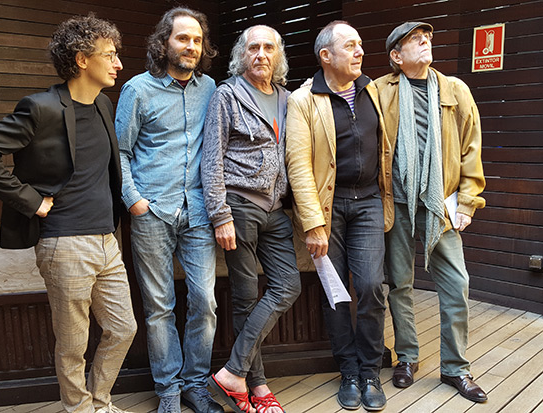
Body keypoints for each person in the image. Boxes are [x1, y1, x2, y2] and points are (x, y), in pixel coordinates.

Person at [0, 15, 137, 413]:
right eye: (110, 55)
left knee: (124, 329)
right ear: (81, 59)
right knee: (73, 344)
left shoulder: (105, 105)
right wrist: (29, 199)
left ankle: (100, 402)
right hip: (65, 244)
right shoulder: (41, 109)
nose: (118, 64)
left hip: (107, 241)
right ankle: (79, 409)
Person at [114, 7, 223, 413]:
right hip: (152, 213)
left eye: (196, 40)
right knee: (159, 308)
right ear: (164, 43)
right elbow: (120, 152)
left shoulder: (211, 88)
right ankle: (169, 393)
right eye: (183, 38)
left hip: (197, 212)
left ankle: (196, 384)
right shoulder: (137, 90)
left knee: (204, 301)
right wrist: (134, 201)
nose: (191, 46)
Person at [375, 21, 487, 403]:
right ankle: (407, 356)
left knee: (457, 286)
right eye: (413, 41)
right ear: (396, 56)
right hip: (398, 204)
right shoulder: (380, 91)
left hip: (441, 205)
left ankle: (456, 368)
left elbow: (472, 149)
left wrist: (468, 201)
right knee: (400, 284)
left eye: (426, 39)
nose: (424, 43)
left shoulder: (456, 90)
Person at [285, 21, 390, 411]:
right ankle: (348, 371)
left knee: (372, 286)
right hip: (329, 208)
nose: (360, 51)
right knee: (336, 294)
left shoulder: (373, 91)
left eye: (361, 44)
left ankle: (370, 370)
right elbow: (298, 166)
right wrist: (312, 223)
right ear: (325, 56)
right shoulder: (304, 99)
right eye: (351, 45)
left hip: (368, 203)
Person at [202, 25, 301, 413]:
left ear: (278, 55)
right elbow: (211, 159)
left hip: (276, 210)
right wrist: (220, 214)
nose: (261, 53)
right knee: (245, 299)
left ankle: (232, 371)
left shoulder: (289, 98)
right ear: (242, 54)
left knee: (287, 286)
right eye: (253, 47)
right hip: (240, 207)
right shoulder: (227, 95)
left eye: (268, 47)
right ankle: (257, 389)